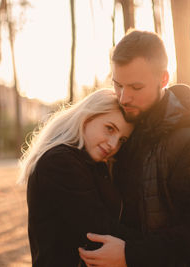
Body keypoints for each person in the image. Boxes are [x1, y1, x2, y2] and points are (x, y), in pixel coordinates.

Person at [79, 30, 190, 266]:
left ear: (164, 79)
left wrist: (130, 255)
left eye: (136, 87)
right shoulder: (122, 134)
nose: (124, 98)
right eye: (118, 85)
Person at [18, 89, 137, 267]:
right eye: (109, 128)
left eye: (122, 140)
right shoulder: (59, 163)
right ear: (87, 118)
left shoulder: (90, 164)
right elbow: (100, 232)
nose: (113, 144)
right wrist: (158, 247)